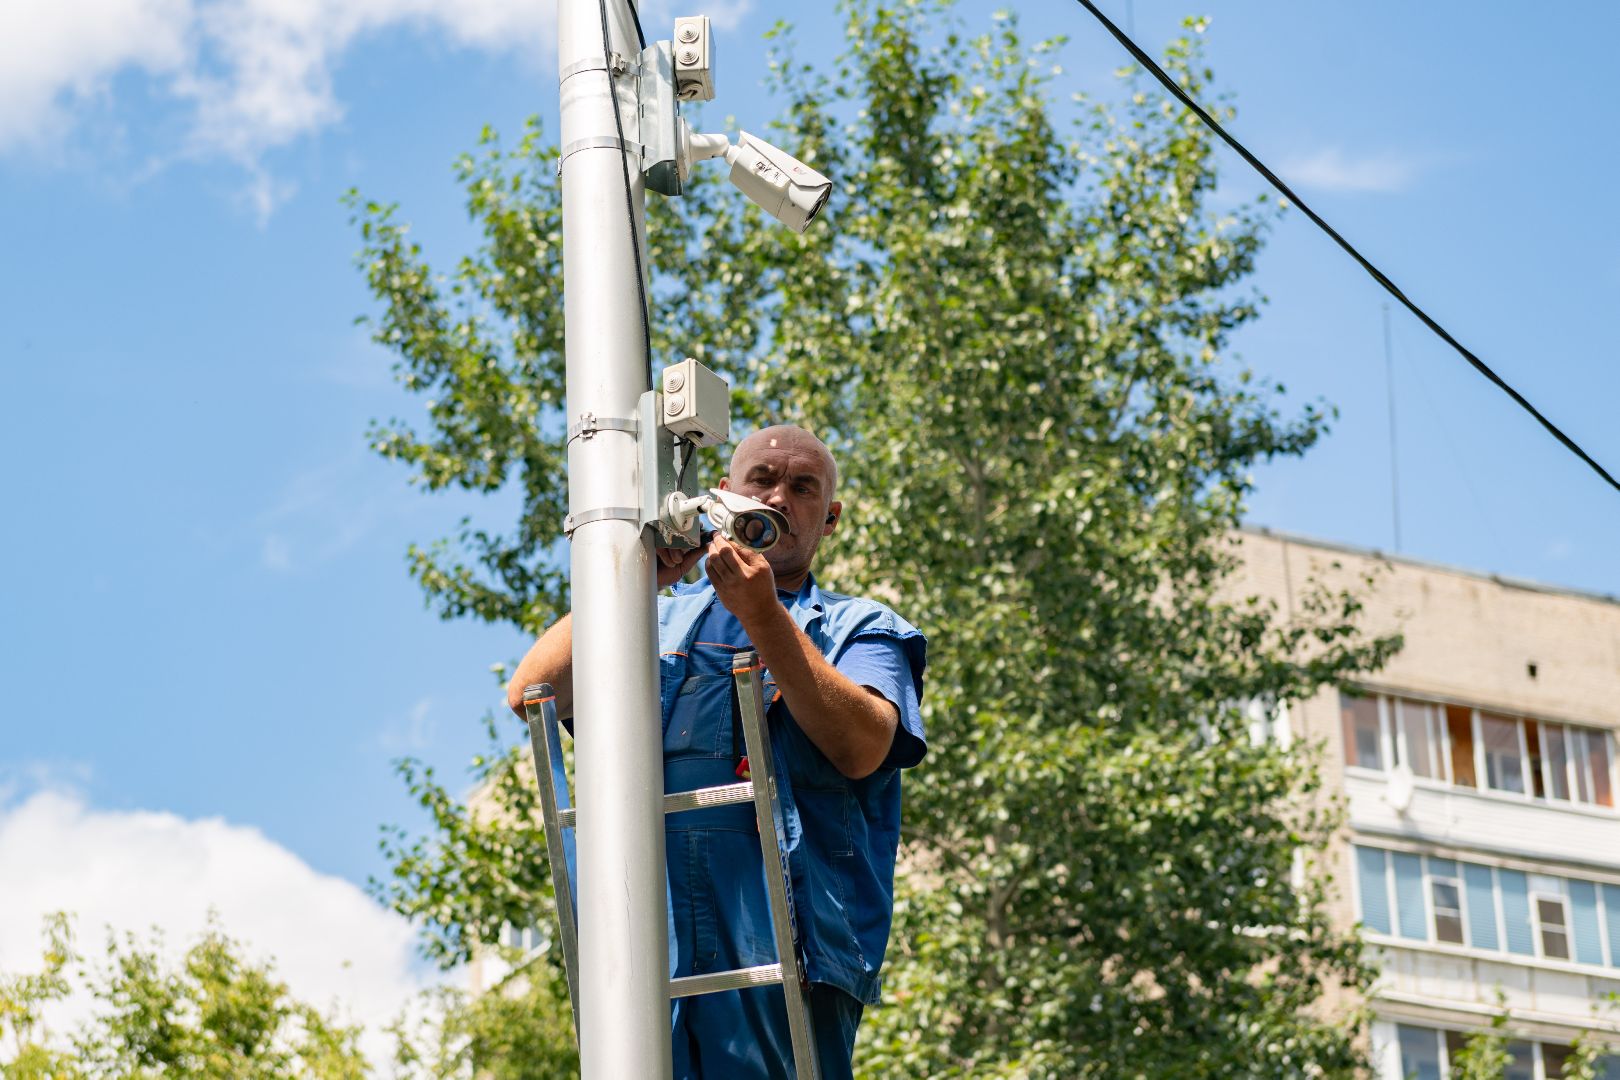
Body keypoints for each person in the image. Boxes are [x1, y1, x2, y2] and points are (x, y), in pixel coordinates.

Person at [507, 425, 927, 1079]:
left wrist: (764, 617)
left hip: (788, 952)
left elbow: (862, 744)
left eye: (803, 487)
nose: (780, 497)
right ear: (726, 495)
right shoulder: (655, 617)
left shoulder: (858, 628)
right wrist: (635, 579)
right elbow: (532, 690)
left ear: (831, 518)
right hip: (646, 943)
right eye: (763, 481)